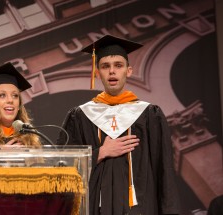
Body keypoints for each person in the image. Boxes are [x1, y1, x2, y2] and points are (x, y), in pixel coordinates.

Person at [57, 35, 180, 214]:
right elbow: (62, 166)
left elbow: (165, 170)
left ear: (128, 71)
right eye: (105, 66)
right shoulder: (80, 116)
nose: (112, 71)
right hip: (94, 208)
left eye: (118, 65)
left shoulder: (149, 115)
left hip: (141, 208)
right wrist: (99, 153)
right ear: (97, 73)